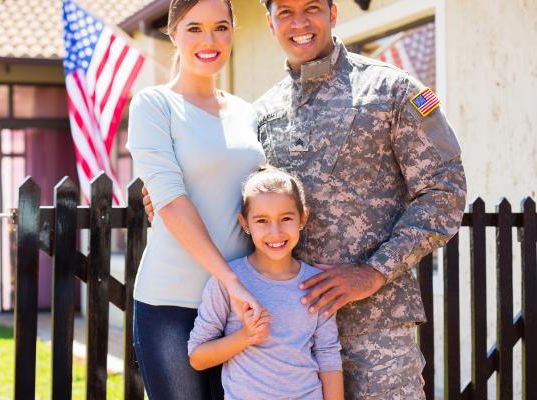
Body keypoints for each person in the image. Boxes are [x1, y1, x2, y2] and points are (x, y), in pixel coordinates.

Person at [142, 0, 467, 398]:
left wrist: (374, 271)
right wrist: (164, 195)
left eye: (311, 7)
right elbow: (242, 195)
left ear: (333, 13)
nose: (299, 23)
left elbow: (444, 191)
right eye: (285, 12)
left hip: (375, 329)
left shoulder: (391, 90)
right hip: (281, 338)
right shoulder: (259, 114)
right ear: (269, 23)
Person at [126, 0, 267, 398]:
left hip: (239, 306)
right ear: (173, 35)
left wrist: (245, 287)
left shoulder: (247, 113)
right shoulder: (154, 105)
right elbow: (170, 201)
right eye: (194, 29)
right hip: (172, 303)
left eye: (221, 27)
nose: (210, 40)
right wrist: (231, 283)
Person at [188, 165, 344, 400]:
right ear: (244, 223)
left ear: (303, 218)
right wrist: (246, 336)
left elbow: (328, 354)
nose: (275, 231)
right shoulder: (229, 282)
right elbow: (198, 358)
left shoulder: (316, 283)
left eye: (286, 218)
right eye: (262, 220)